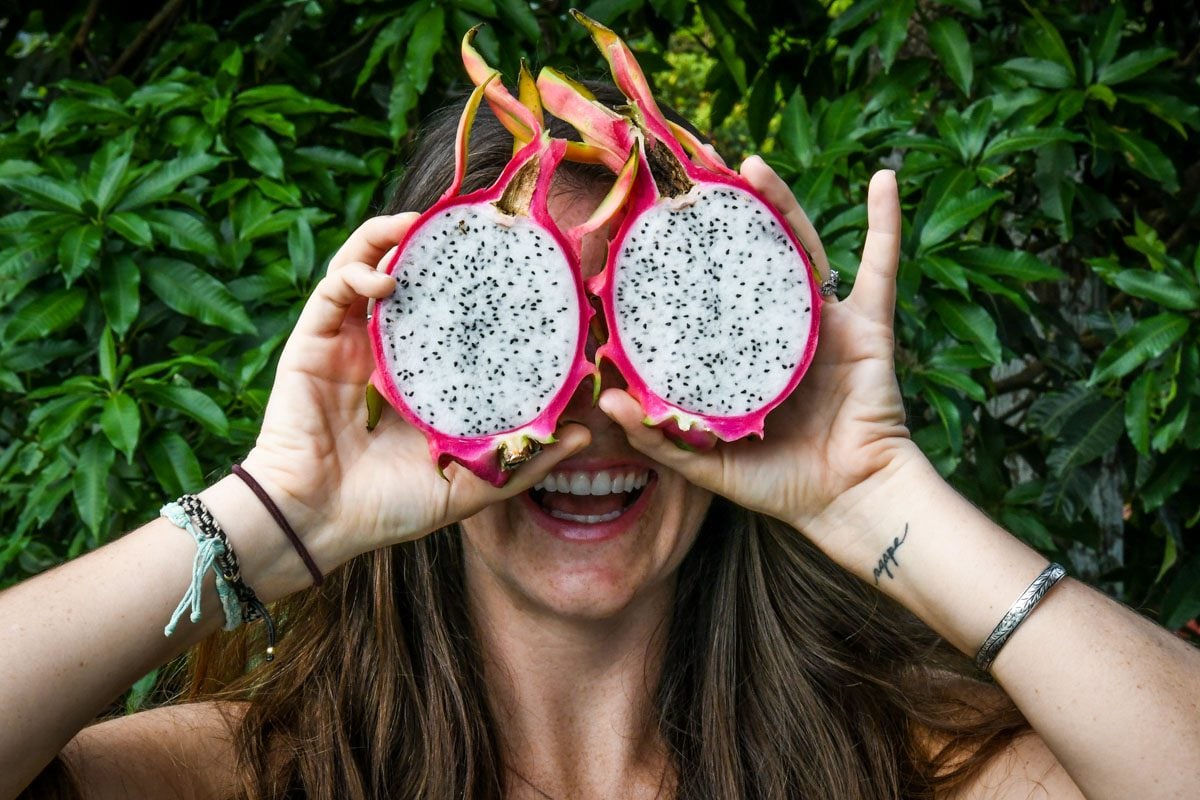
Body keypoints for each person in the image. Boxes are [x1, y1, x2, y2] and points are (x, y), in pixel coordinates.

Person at [3, 89, 1198, 800]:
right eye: (510, 338)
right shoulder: (247, 776)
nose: (581, 410)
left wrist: (885, 498)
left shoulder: (902, 767)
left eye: (657, 330)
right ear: (403, 373)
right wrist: (276, 516)